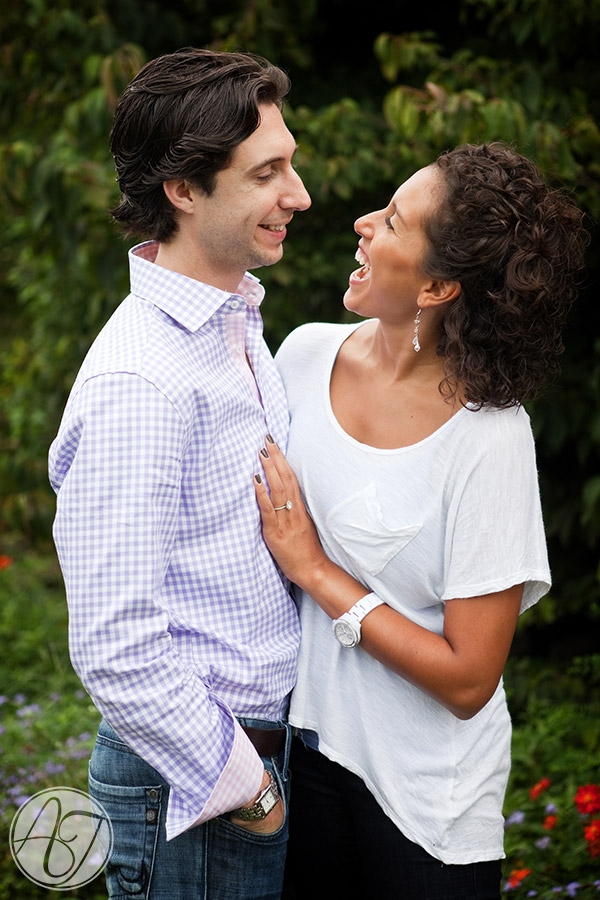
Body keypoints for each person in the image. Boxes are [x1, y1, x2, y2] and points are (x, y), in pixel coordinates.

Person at [252, 142, 586, 899]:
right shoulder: (304, 356)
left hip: (423, 807)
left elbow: (470, 678)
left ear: (436, 285)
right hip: (300, 763)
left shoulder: (487, 436)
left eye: (393, 222)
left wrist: (316, 572)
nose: (364, 224)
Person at [48, 47, 311, 900]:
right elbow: (115, 645)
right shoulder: (143, 380)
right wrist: (251, 789)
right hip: (195, 787)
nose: (298, 196)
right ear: (185, 190)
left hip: (236, 765)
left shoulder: (234, 324)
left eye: (291, 165)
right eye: (267, 172)